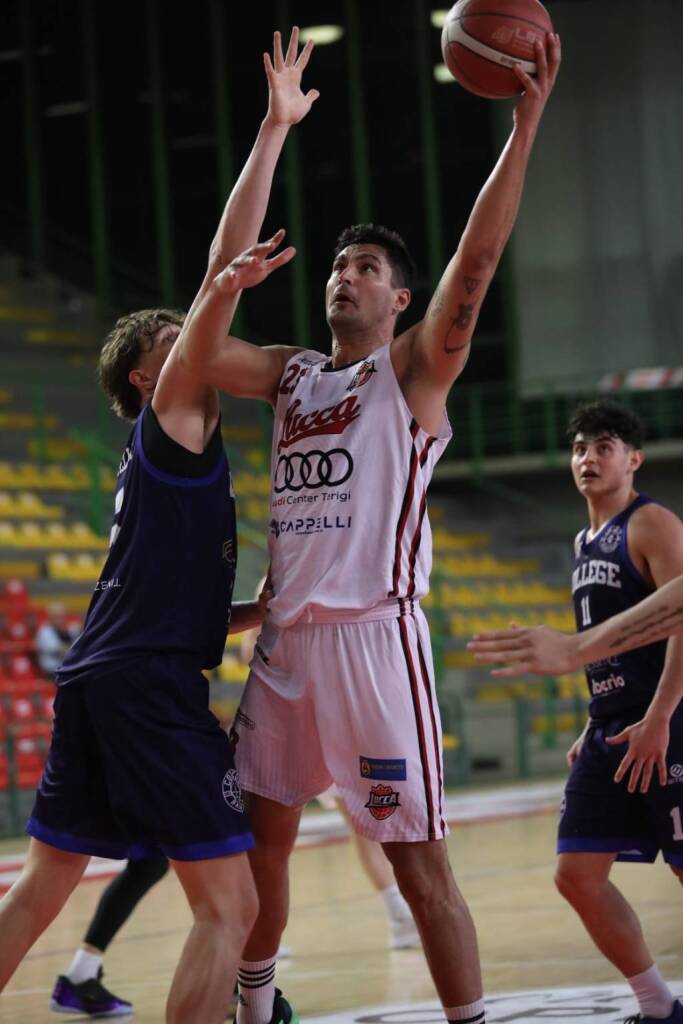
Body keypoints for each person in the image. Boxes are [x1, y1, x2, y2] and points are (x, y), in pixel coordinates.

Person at [183, 34, 561, 1024]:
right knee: (258, 844)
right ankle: (257, 1006)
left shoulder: (413, 373)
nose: (343, 276)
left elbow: (475, 264)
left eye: (364, 268)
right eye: (338, 264)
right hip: (284, 646)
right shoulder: (291, 371)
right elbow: (202, 327)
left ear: (398, 297)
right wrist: (270, 134)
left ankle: (465, 1019)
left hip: (373, 643)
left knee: (419, 865)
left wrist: (520, 128)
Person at [0, 29, 318, 1024]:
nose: (194, 345)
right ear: (149, 377)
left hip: (104, 674)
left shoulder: (168, 461)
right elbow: (223, 263)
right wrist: (270, 132)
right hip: (142, 690)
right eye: (174, 340)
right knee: (229, 902)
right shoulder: (173, 417)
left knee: (47, 879)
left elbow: (157, 604)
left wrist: (244, 612)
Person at [473, 399, 683, 1024]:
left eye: (604, 446)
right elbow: (608, 636)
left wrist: (660, 717)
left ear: (634, 459)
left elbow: (680, 625)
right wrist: (595, 719)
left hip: (666, 720)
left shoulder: (653, 525)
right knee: (575, 874)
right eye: (580, 448)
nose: (588, 458)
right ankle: (658, 1007)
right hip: (612, 724)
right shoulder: (583, 538)